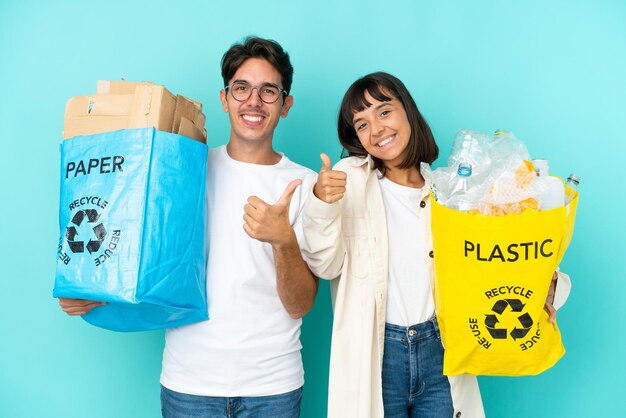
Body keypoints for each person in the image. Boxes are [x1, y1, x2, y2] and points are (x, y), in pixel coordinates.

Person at [59, 36, 319, 418]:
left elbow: (301, 305)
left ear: (285, 105)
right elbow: (134, 244)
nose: (253, 101)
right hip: (189, 385)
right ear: (224, 98)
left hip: (273, 388)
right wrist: (88, 292)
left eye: (268, 91)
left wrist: (282, 240)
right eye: (241, 88)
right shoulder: (181, 170)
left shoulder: (305, 185)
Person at [300, 72, 571, 418]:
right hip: (379, 353)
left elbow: (498, 258)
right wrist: (322, 203)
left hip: (440, 350)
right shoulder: (348, 179)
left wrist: (549, 287)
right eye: (362, 124)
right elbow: (325, 265)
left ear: (408, 111)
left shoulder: (449, 193)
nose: (377, 129)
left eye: (384, 112)